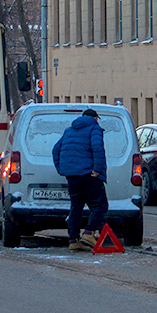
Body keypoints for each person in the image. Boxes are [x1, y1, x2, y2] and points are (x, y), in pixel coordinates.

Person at [52, 108, 109, 252]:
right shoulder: (94, 128)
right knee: (100, 205)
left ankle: (73, 240)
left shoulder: (69, 130)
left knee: (76, 206)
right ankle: (89, 233)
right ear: (95, 118)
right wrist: (97, 169)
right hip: (88, 174)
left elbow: (55, 150)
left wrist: (62, 169)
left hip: (72, 176)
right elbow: (97, 148)